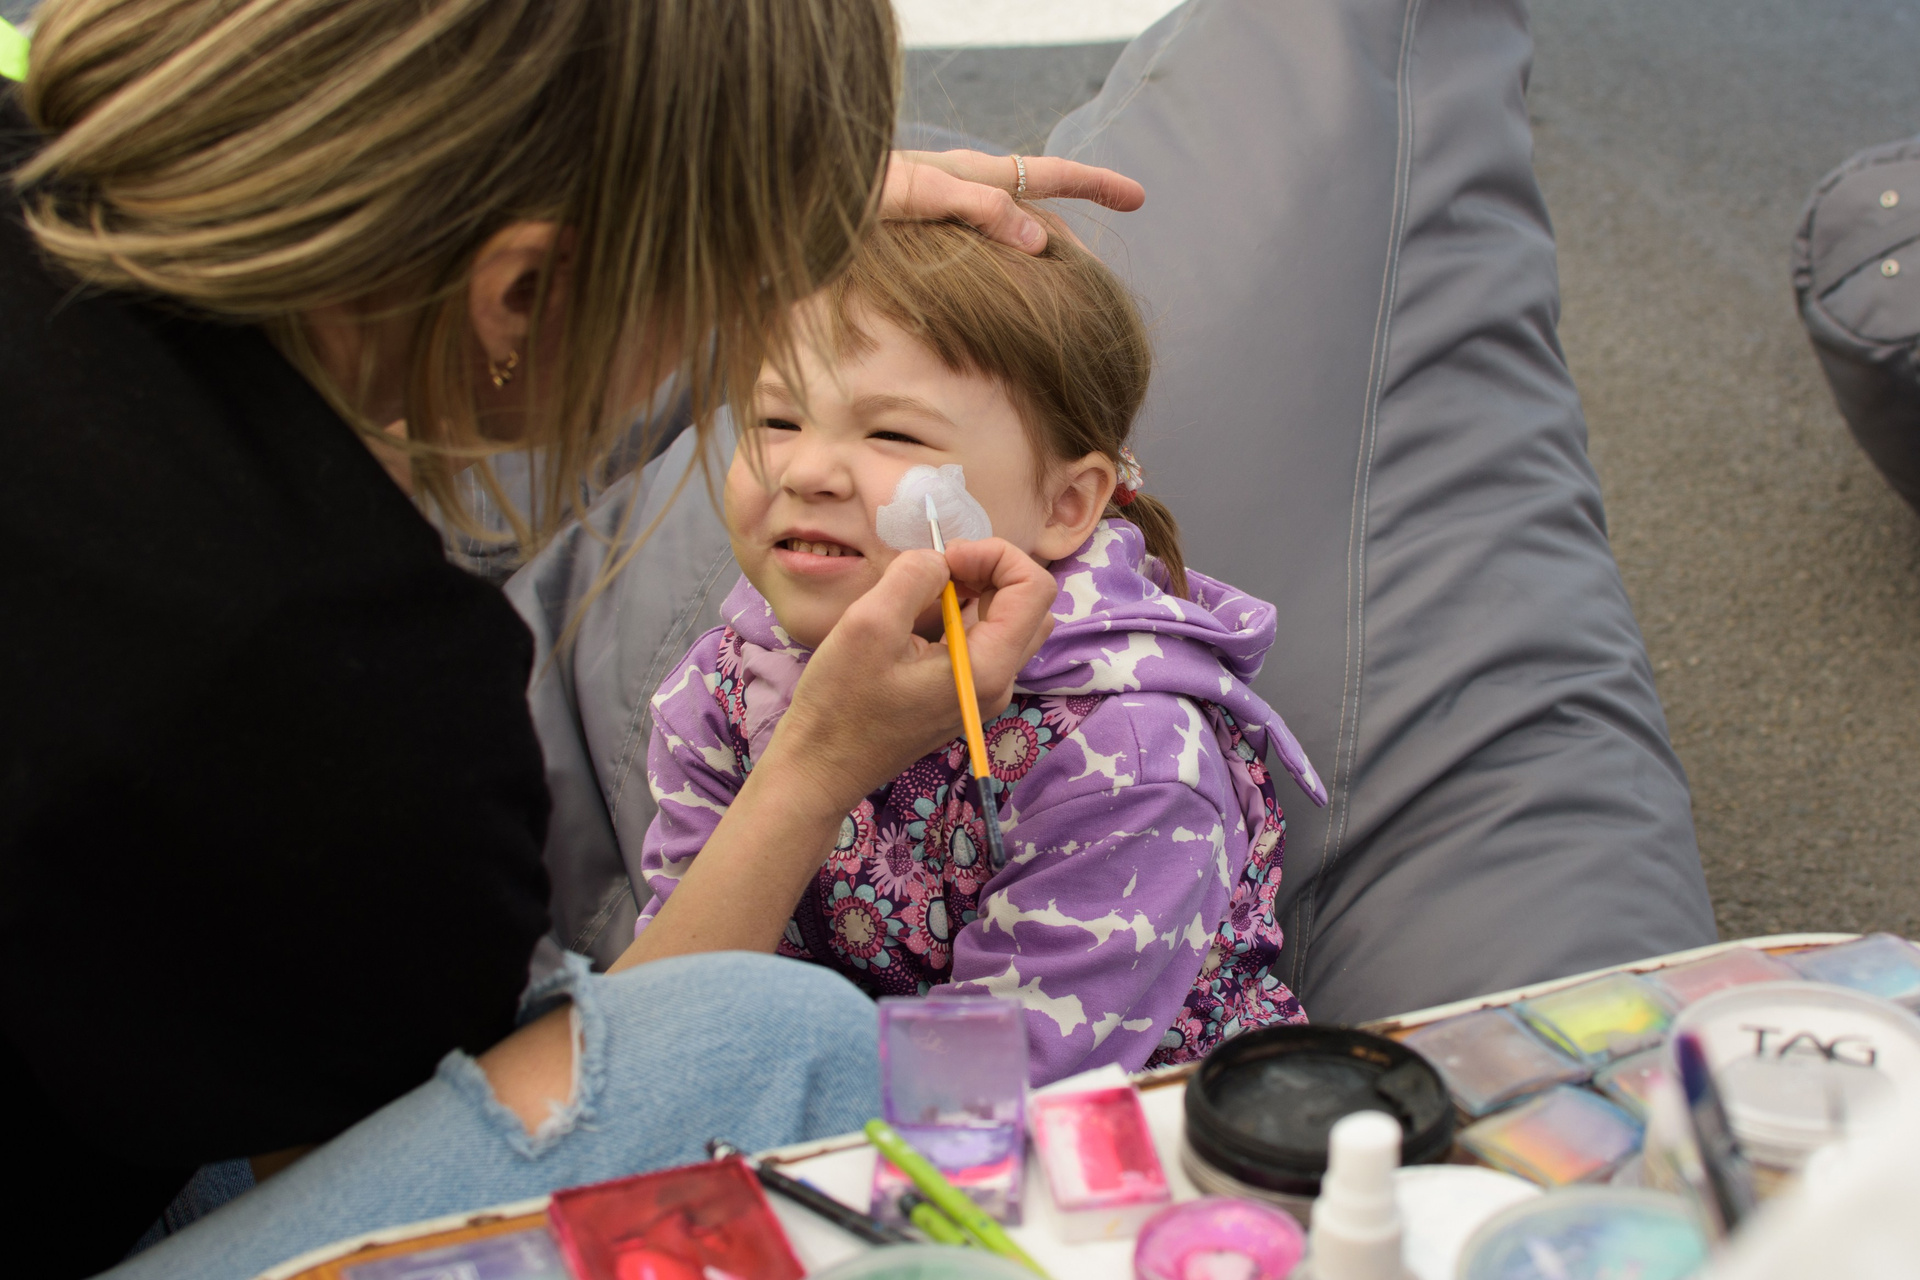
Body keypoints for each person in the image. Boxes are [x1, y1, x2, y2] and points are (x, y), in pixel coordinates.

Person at [0, 1, 1141, 1276]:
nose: (806, 465)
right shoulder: (332, 684)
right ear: (524, 290)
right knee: (775, 1040)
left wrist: (724, 214)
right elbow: (431, 1204)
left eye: (889, 430)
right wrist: (816, 764)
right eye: (756, 382)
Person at [632, 219, 1327, 1084]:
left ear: (1066, 506)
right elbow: (669, 1008)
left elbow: (997, 1083)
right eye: (776, 418)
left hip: (1112, 1131)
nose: (806, 472)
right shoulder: (719, 693)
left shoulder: (1129, 760)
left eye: (893, 435)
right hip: (813, 1105)